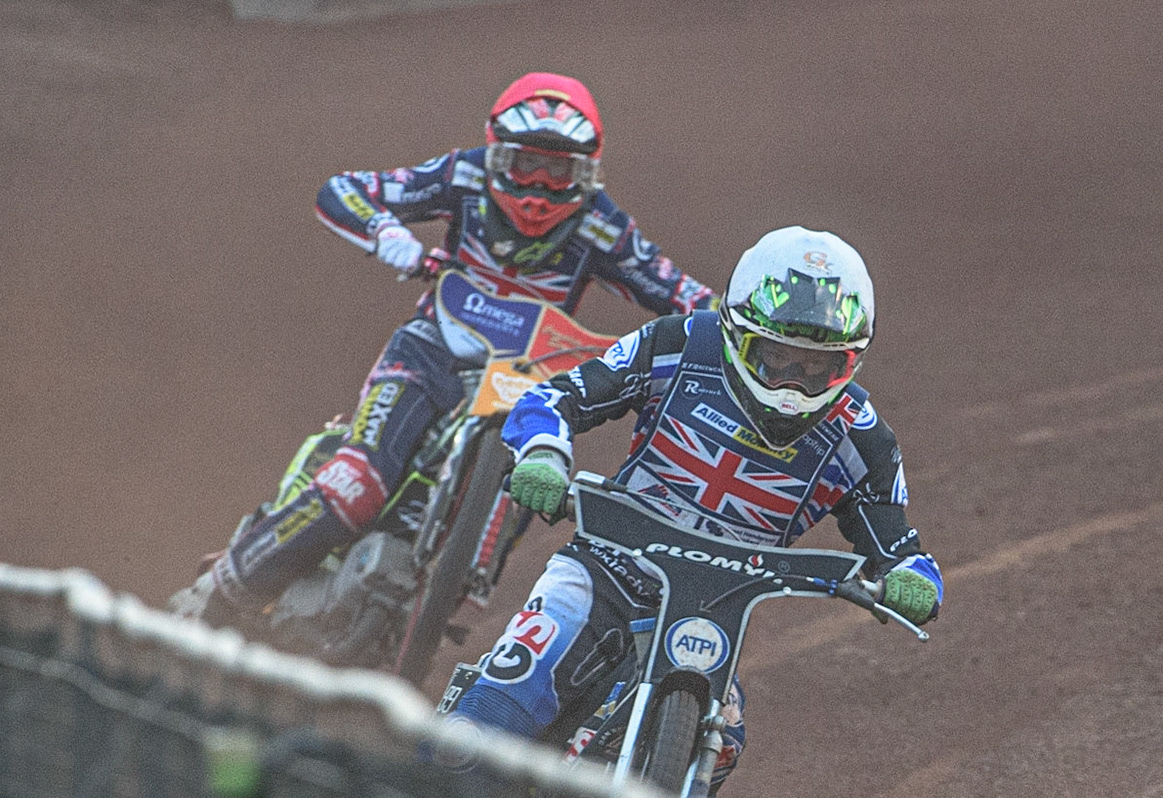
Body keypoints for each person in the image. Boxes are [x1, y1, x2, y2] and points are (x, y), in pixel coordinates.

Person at [173, 72, 717, 625]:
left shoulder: (604, 228)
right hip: (431, 352)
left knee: (539, 462)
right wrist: (393, 240)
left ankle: (460, 582)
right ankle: (216, 595)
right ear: (494, 152)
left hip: (525, 377)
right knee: (358, 483)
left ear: (587, 172)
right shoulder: (464, 175)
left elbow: (690, 298)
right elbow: (343, 190)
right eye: (524, 163)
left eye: (558, 171)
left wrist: (747, 326)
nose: (537, 188)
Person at [449, 225, 944, 793]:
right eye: (777, 357)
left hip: (713, 611)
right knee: (498, 708)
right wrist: (543, 455)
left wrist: (913, 579)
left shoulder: (862, 437)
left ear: (851, 363)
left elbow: (898, 544)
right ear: (736, 331)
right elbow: (553, 397)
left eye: (818, 368)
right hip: (606, 570)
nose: (793, 385)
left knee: (724, 740)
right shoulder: (680, 344)